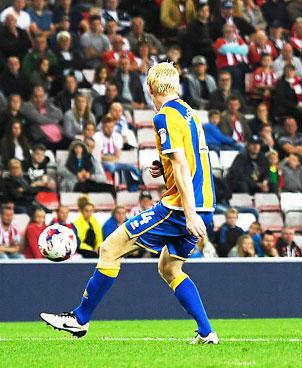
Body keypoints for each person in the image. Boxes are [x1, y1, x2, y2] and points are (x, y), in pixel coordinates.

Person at [40, 63, 219, 344]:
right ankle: (207, 332)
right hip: (206, 202)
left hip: (180, 207)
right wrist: (166, 167)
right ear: (175, 86)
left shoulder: (164, 117)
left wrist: (188, 212)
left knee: (110, 248)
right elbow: (191, 156)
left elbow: (183, 164)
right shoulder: (189, 113)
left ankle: (79, 319)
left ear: (150, 89)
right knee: (170, 268)